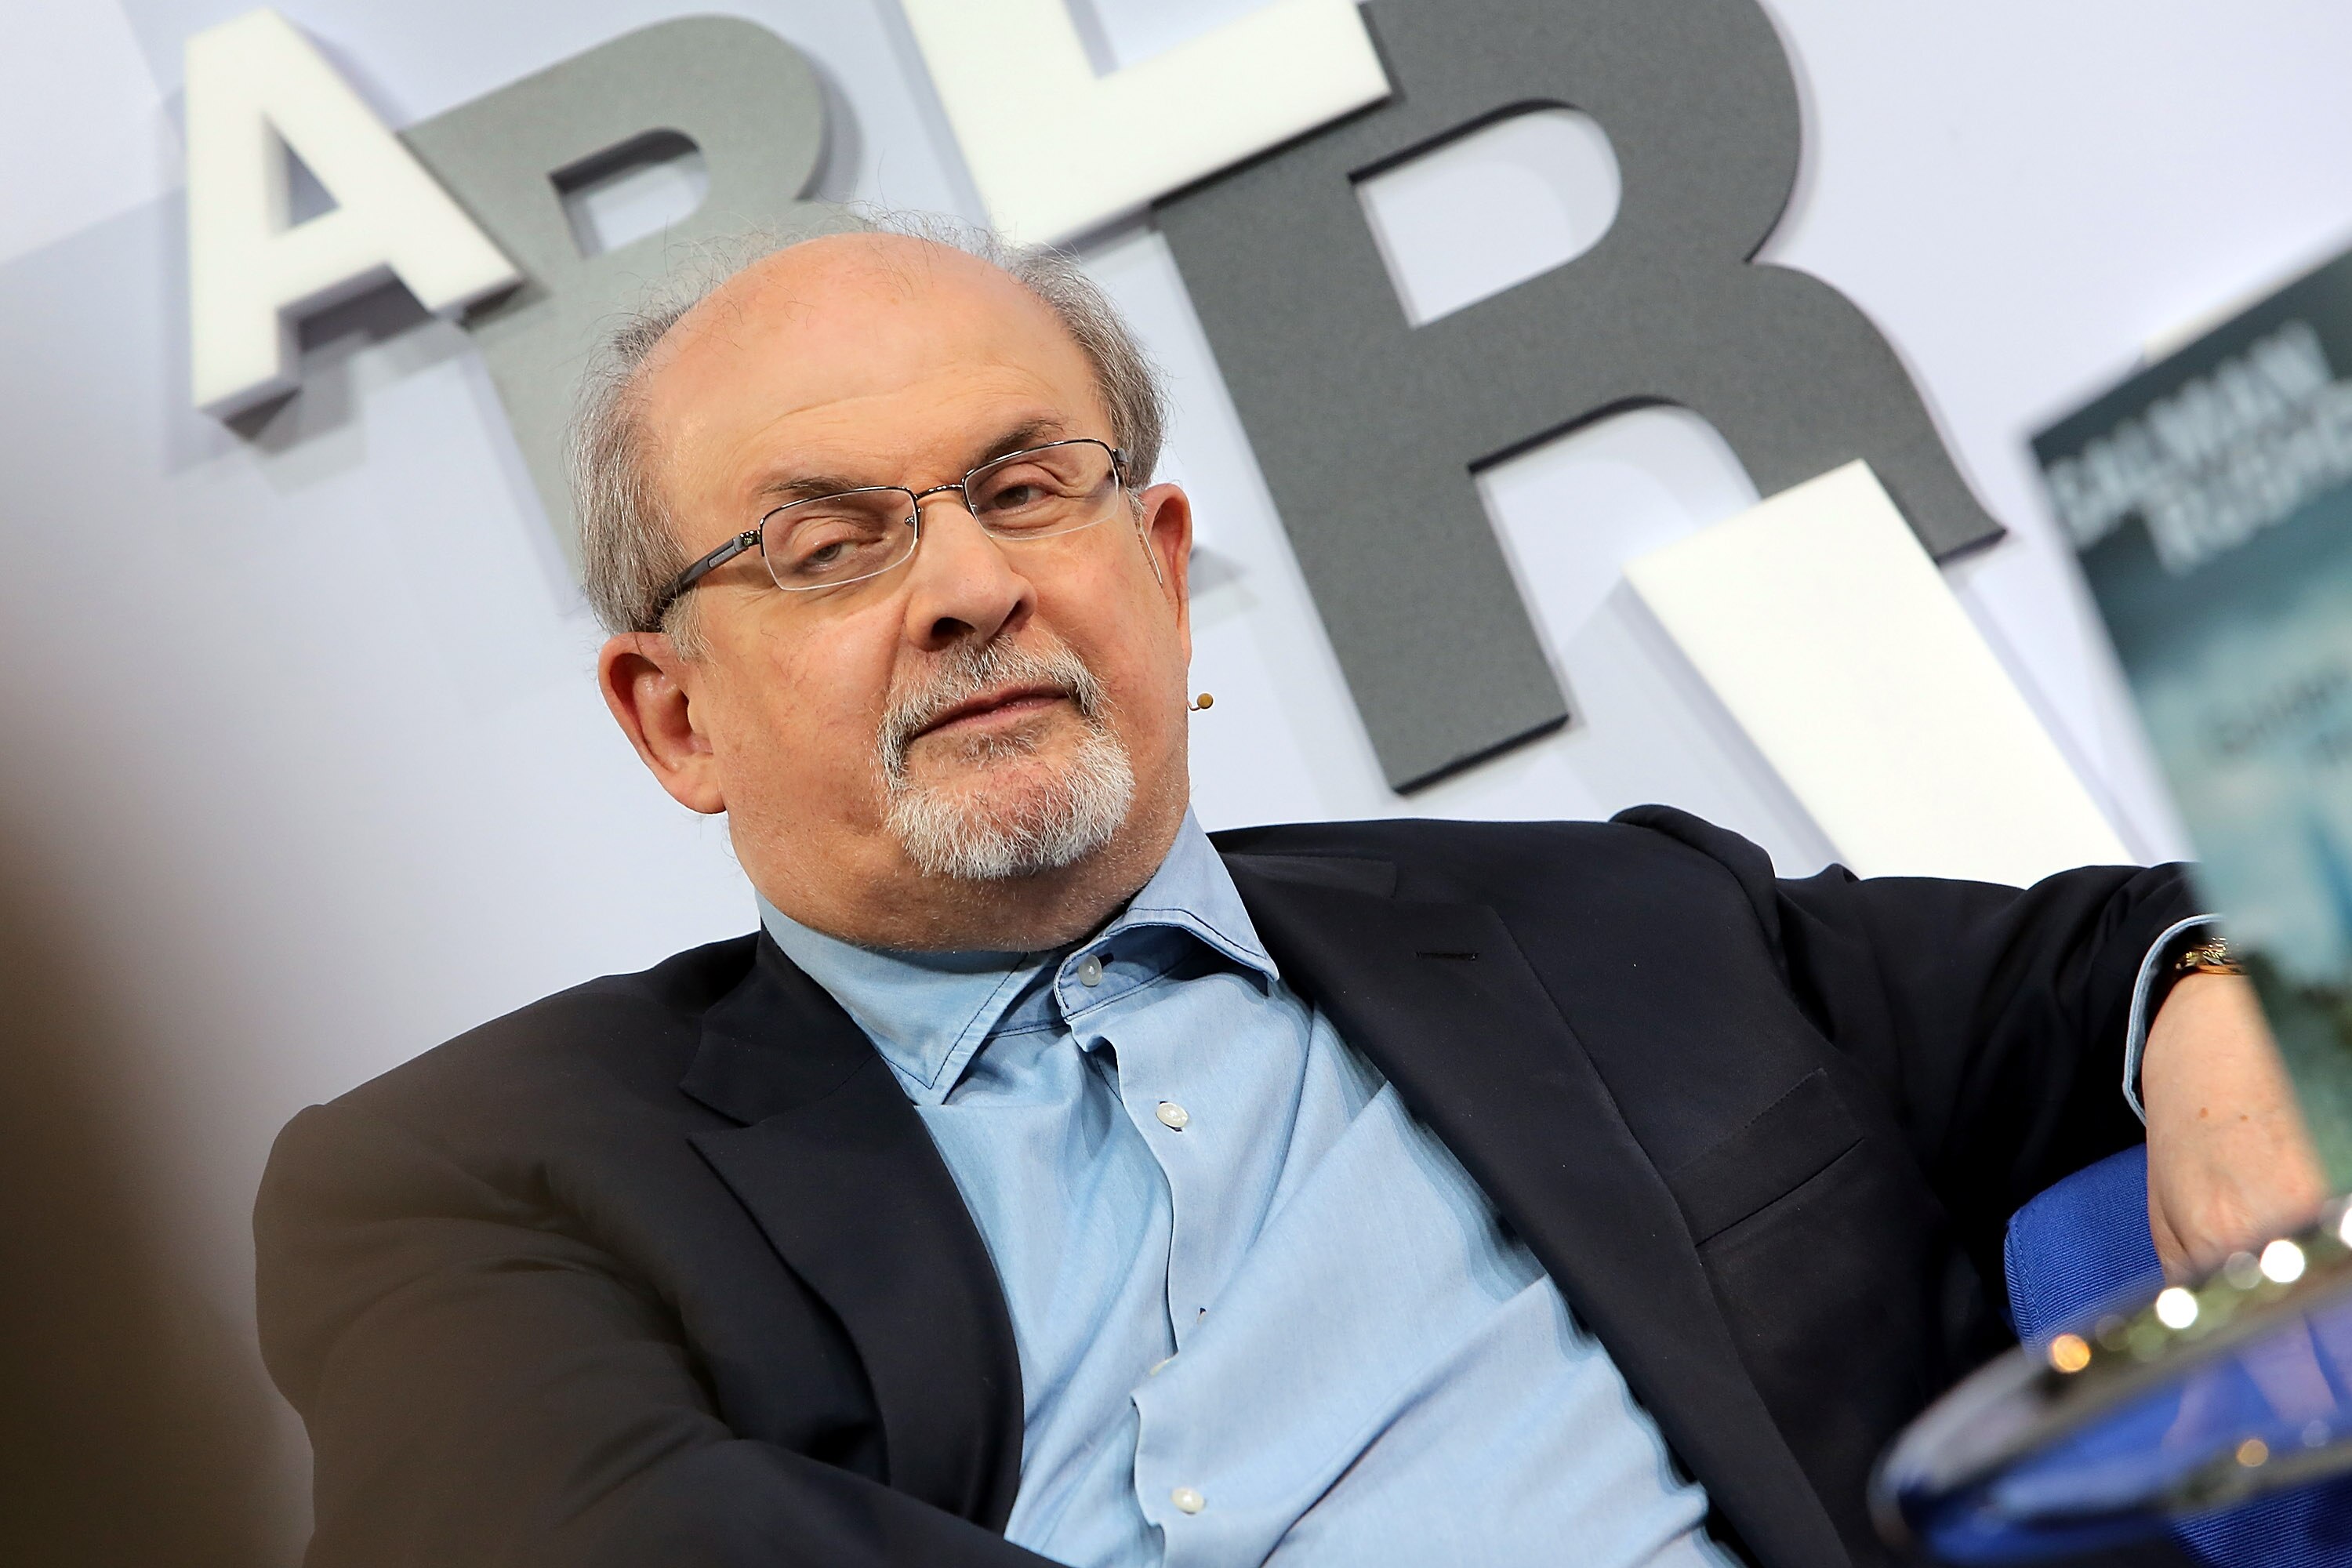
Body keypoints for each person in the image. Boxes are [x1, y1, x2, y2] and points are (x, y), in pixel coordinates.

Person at [254, 220, 2325, 1568]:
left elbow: (2091, 950)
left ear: (1156, 567)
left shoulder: (1603, 926)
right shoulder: (479, 1175)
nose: (974, 584)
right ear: (673, 719)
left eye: (1026, 487)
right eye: (827, 545)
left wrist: (2221, 1001)